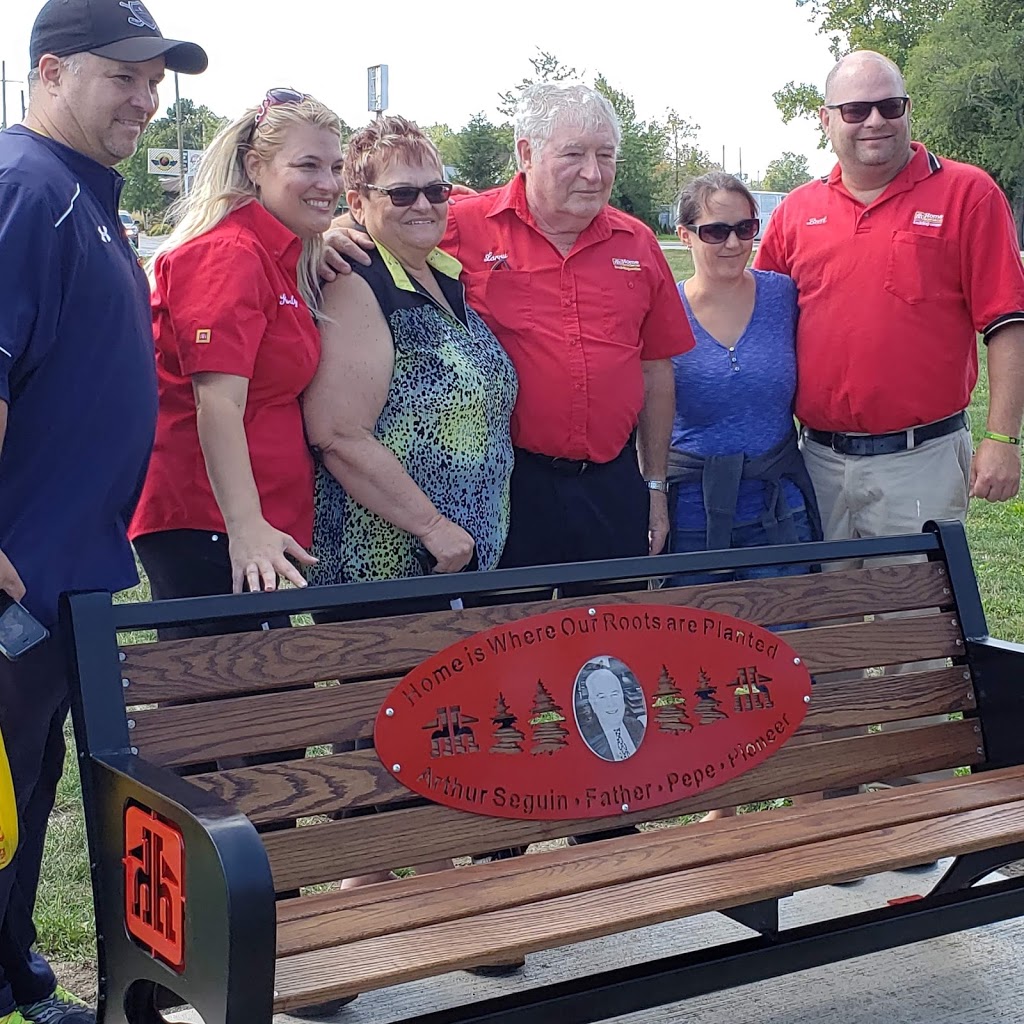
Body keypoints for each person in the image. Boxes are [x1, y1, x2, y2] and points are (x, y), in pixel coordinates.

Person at [0, 1, 206, 1021]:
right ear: (48, 72)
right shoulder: (21, 189)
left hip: (69, 570)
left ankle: (13, 968)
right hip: (15, 578)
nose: (146, 96)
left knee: (27, 794)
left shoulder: (82, 193)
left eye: (155, 79)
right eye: (122, 75)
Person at [324, 82, 695, 571]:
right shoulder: (460, 222)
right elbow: (394, 220)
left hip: (611, 482)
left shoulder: (639, 242)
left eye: (606, 155)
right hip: (509, 487)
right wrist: (333, 235)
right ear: (526, 153)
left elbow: (654, 369)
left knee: (610, 634)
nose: (593, 172)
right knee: (510, 637)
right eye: (574, 154)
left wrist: (655, 485)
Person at [756, 50, 1024, 540]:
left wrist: (1003, 437)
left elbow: (1008, 322)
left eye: (890, 106)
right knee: (823, 612)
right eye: (856, 110)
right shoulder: (796, 211)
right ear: (826, 120)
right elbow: (754, 325)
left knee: (914, 612)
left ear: (908, 109)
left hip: (921, 460)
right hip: (815, 461)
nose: (875, 121)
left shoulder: (969, 194)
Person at [129, 90, 346, 632]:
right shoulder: (228, 254)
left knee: (255, 704)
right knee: (217, 707)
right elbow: (217, 403)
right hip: (211, 525)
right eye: (308, 165)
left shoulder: (282, 254)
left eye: (336, 167)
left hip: (254, 524)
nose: (329, 183)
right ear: (255, 166)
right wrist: (246, 527)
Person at [304, 117, 517, 586]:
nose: (423, 205)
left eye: (436, 191)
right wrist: (432, 527)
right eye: (401, 194)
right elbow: (337, 434)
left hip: (457, 568)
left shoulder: (443, 275)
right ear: (358, 203)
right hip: (388, 572)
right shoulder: (357, 283)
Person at [669, 172, 821, 580]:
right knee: (694, 639)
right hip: (691, 516)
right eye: (715, 231)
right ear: (685, 235)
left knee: (785, 636)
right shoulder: (663, 308)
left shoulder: (783, 295)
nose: (733, 244)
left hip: (777, 510)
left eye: (745, 228)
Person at [574, 665, 646, 762]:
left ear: (622, 696)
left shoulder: (637, 726)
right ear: (592, 703)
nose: (611, 703)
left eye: (614, 694)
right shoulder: (587, 738)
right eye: (602, 697)